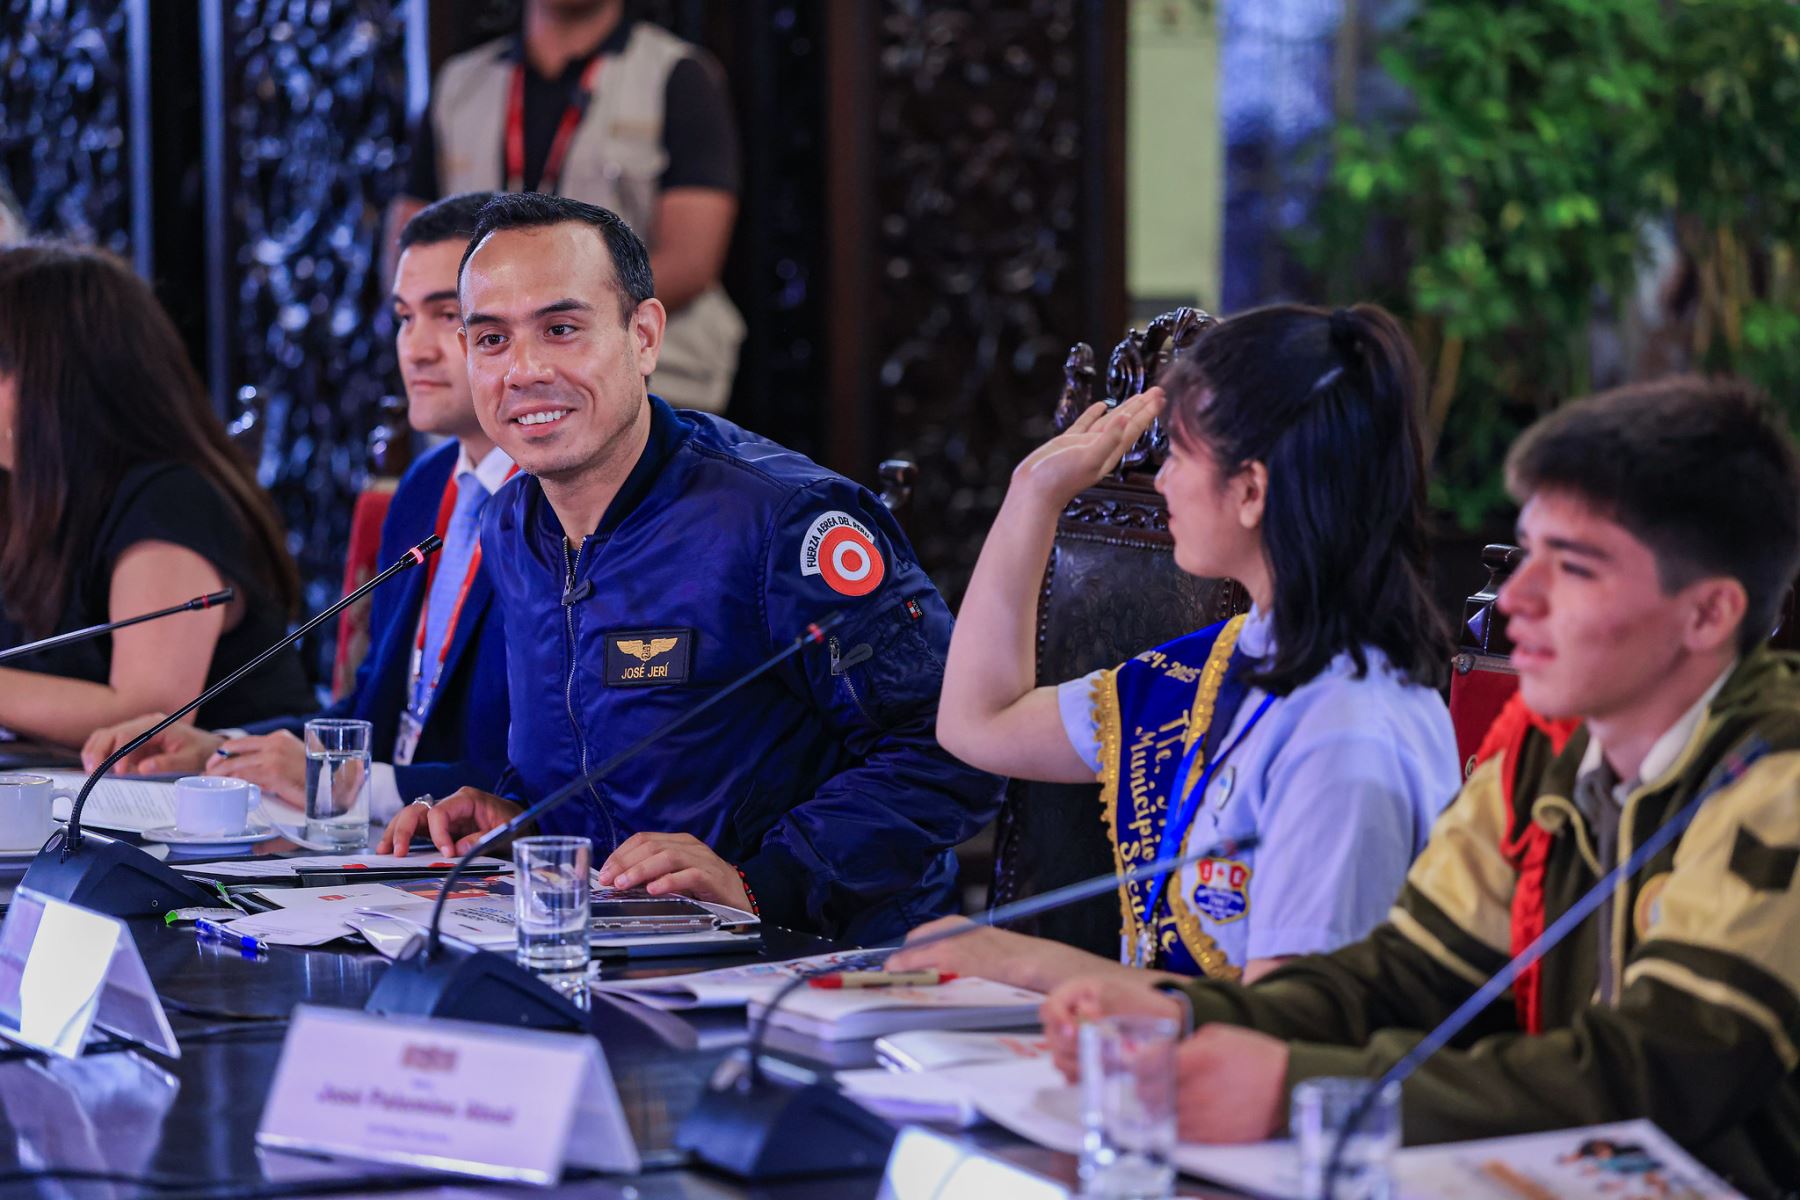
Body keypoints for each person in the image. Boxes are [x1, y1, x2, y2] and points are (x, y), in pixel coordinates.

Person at [1039, 376, 1800, 1199]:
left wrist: (1293, 1088)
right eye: (1529, 552)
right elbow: (1401, 976)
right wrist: (1183, 1016)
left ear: (1708, 614)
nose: (1518, 598)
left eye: (1575, 569)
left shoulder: (1778, 779)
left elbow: (1649, 1079)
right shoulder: (1541, 758)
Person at [376, 193, 1000, 943]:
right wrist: (523, 814)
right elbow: (592, 749)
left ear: (643, 336)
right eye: (491, 340)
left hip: (812, 956)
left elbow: (952, 746)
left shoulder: (783, 520)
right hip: (604, 945)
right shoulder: (511, 524)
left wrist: (762, 882)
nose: (524, 370)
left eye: (562, 329)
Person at [892, 304, 1460, 992]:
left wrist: (1028, 964)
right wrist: (1031, 497)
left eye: (1180, 455)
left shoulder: (1348, 736)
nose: (1160, 479)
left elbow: (1285, 1029)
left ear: (1250, 490)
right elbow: (979, 724)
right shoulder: (1233, 659)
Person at [82, 194, 515, 824]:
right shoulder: (424, 487)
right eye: (403, 317)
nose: (415, 348)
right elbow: (370, 710)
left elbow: (538, 771)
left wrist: (348, 781)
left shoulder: (558, 501)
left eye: (446, 314)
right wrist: (222, 747)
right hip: (379, 843)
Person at [0, 243, 312, 746]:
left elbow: (148, 715)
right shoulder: (29, 494)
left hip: (226, 792)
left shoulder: (169, 499)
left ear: (62, 382)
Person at [391, 0, 743, 413]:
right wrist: (491, 332)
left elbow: (691, 260)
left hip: (648, 385)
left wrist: (553, 321)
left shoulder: (677, 74)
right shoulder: (460, 83)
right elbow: (410, 248)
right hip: (487, 384)